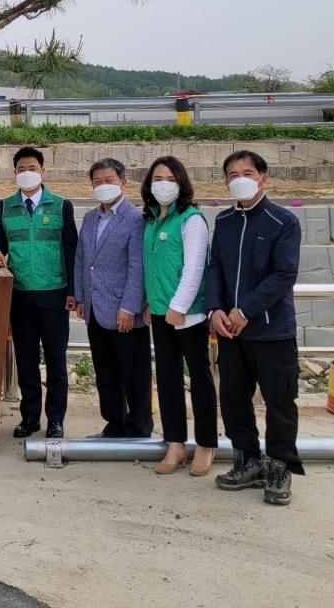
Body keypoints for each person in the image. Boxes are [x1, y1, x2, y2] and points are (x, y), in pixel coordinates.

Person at [205, 150, 303, 505]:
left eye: (246, 172)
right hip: (231, 333)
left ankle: (279, 465)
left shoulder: (283, 221)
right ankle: (246, 459)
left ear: (263, 177)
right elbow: (215, 267)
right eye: (232, 174)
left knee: (280, 400)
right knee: (232, 397)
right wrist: (214, 309)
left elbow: (284, 275)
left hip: (271, 330)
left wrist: (245, 309)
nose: (239, 178)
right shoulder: (225, 220)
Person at [0, 146, 78, 439]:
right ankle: (30, 419)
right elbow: (0, 239)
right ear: (14, 173)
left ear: (43, 171)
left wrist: (73, 290)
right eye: (20, 169)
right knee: (26, 361)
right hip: (20, 296)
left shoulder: (61, 205)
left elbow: (71, 250)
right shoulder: (5, 206)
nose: (26, 173)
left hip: (54, 294)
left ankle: (55, 419)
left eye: (32, 168)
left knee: (55, 362)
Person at [141, 156, 217, 476]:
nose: (163, 184)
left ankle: (205, 444)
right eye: (157, 178)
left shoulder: (191, 219)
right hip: (159, 312)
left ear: (181, 183)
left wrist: (179, 307)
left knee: (199, 378)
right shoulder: (151, 220)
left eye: (170, 178)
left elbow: (194, 268)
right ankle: (175, 442)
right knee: (168, 378)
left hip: (187, 315)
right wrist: (150, 303)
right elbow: (152, 267)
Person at [74, 158, 152, 438]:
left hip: (124, 311)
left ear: (123, 182)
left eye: (108, 180)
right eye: (97, 182)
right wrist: (81, 297)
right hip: (96, 308)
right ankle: (114, 424)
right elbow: (82, 258)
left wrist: (130, 306)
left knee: (134, 373)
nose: (103, 186)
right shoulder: (91, 217)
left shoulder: (136, 219)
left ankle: (139, 427)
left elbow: (137, 267)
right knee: (105, 373)